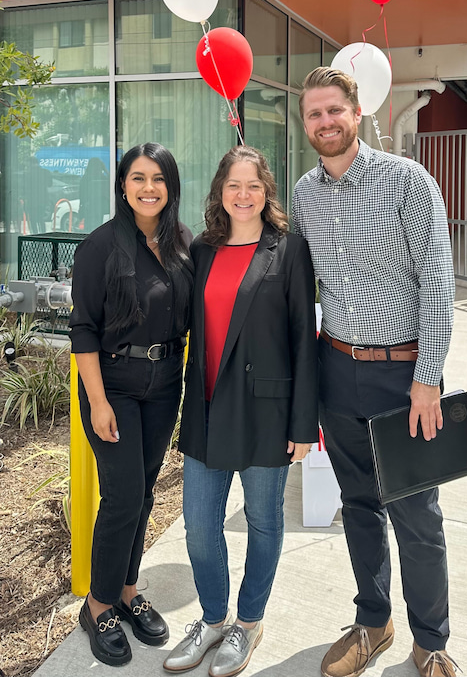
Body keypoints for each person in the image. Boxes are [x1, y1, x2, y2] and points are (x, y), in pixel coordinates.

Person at [292, 68, 457, 677]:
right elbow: (296, 285)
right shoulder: (304, 195)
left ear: (356, 112)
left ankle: (431, 642)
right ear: (304, 123)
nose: (325, 122)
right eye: (314, 114)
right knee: (359, 504)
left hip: (402, 375)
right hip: (336, 369)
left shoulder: (406, 180)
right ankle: (373, 621)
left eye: (334, 110)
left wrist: (428, 377)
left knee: (417, 515)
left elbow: (437, 284)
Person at [164, 145, 318, 677]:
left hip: (266, 413)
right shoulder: (202, 250)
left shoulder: (289, 250)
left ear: (266, 191)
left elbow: (303, 339)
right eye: (234, 185)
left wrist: (304, 424)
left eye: (253, 185)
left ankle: (248, 623)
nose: (244, 194)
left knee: (263, 522)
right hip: (208, 407)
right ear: (220, 192)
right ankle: (212, 619)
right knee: (199, 527)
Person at [70, 143, 193, 667]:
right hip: (113, 384)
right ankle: (98, 604)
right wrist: (97, 402)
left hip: (164, 384)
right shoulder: (100, 246)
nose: (149, 187)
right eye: (138, 177)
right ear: (123, 186)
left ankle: (126, 590)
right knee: (122, 496)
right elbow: (83, 330)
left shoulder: (183, 243)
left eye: (158, 178)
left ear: (171, 186)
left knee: (142, 494)